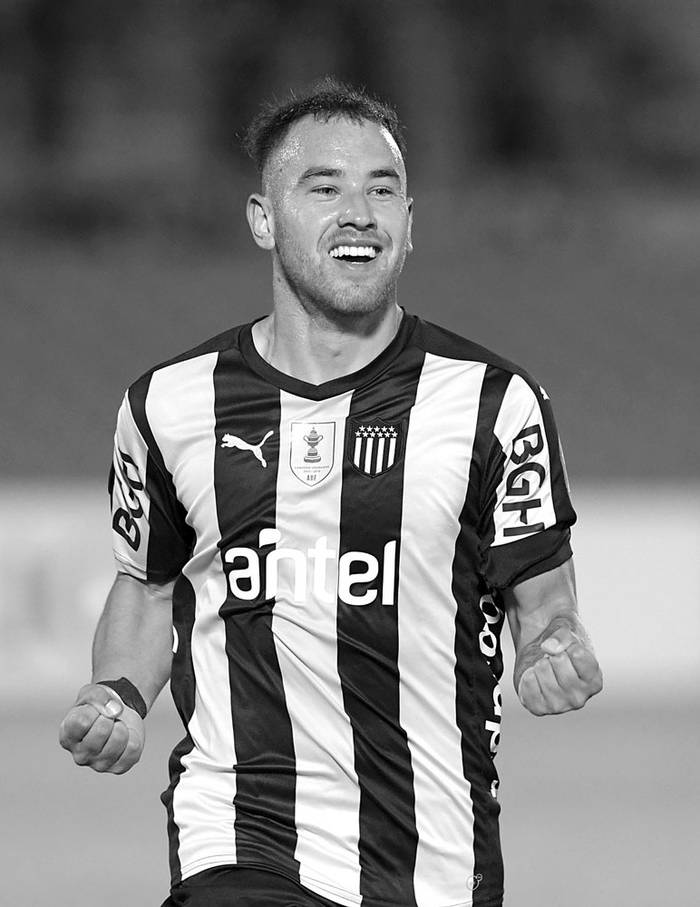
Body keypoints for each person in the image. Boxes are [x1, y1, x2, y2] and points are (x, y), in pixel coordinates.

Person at [59, 77, 602, 907]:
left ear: (410, 227)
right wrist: (120, 692)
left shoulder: (493, 403)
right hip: (237, 835)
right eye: (325, 188)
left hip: (434, 854)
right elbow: (148, 584)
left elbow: (543, 596)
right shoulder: (168, 405)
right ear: (263, 219)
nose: (360, 212)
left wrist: (552, 644)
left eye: (382, 190)